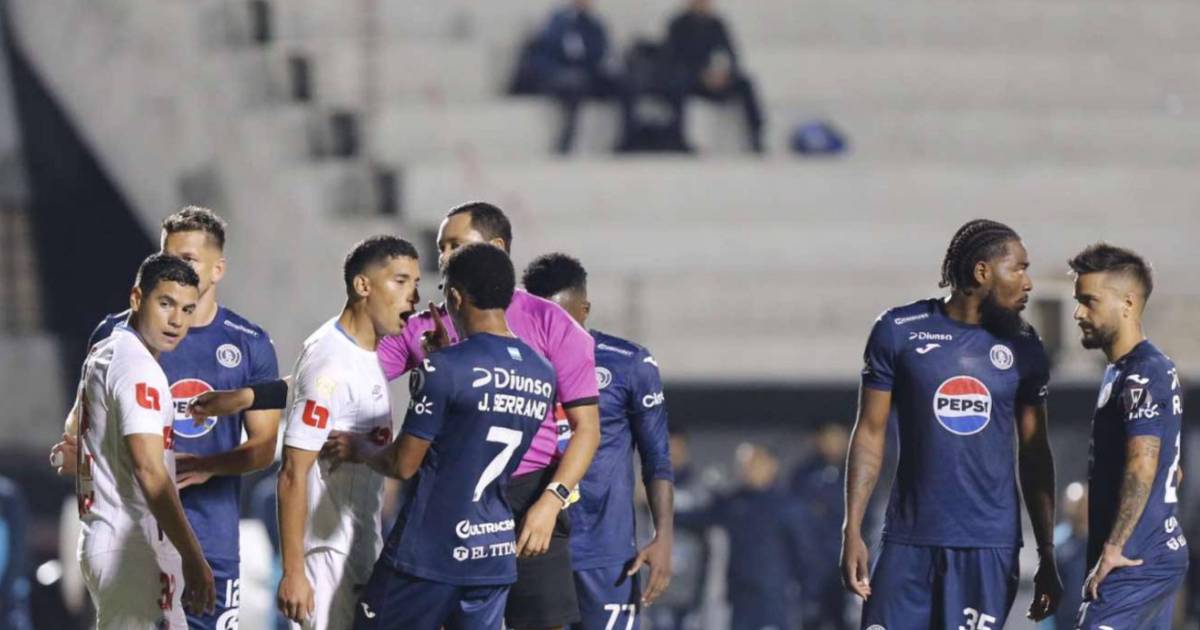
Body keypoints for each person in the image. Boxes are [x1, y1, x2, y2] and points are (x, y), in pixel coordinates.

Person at [193, 202, 602, 630]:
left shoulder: (551, 324)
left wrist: (551, 501)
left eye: (456, 246)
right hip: (466, 505)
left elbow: (586, 429)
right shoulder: (434, 328)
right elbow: (340, 372)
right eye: (442, 247)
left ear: (495, 248)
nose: (444, 257)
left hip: (526, 495)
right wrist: (248, 396)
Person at [51, 206, 281, 629]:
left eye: (188, 260)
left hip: (210, 534)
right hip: (135, 536)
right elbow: (92, 432)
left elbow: (265, 446)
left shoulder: (248, 343)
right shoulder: (124, 341)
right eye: (168, 257)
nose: (177, 269)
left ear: (217, 269)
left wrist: (208, 465)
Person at [841, 219, 1062, 628]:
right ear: (982, 272)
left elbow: (1035, 453)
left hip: (987, 546)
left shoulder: (1025, 347)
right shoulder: (898, 331)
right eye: (1018, 268)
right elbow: (870, 432)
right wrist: (851, 529)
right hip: (908, 540)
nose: (1028, 282)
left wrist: (1047, 552)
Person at [316, 243, 550, 628]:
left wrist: (358, 447)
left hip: (430, 552)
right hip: (491, 550)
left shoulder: (445, 370)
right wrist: (441, 361)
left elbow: (403, 464)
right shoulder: (541, 371)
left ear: (455, 297)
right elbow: (475, 421)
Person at [274, 236, 421, 629]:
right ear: (362, 285)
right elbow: (292, 472)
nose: (413, 297)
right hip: (327, 557)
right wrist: (293, 572)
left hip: (359, 548)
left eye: (416, 283)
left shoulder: (368, 355)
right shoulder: (330, 362)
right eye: (400, 281)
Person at [522, 253, 675, 630]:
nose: (554, 332)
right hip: (532, 546)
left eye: (563, 319)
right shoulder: (511, 364)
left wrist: (664, 535)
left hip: (605, 554)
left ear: (584, 310)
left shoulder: (627, 364)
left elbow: (657, 458)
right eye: (542, 319)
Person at [73, 253, 216, 628]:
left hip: (108, 536)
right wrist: (193, 556)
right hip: (131, 546)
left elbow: (73, 434)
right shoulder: (138, 368)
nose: (176, 320)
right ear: (137, 298)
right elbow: (149, 471)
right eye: (165, 303)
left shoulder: (105, 350)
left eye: (187, 309)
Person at [1069, 244, 1187, 628]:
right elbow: (1173, 469)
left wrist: (1115, 546)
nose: (1078, 313)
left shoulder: (1143, 372)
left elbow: (1143, 463)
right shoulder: (1124, 371)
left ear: (1128, 303)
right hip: (1149, 555)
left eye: (1089, 301)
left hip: (1132, 563)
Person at [681, 443, 808, 630]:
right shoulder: (734, 503)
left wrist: (808, 597)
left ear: (771, 465)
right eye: (744, 464)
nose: (748, 469)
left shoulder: (788, 506)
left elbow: (805, 553)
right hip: (740, 596)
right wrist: (657, 509)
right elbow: (698, 518)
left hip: (774, 598)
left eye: (755, 463)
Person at [516, 0, 619, 154]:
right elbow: (545, 53)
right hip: (559, 77)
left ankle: (628, 139)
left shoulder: (594, 25)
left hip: (587, 76)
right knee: (573, 86)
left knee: (622, 84)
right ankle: (566, 142)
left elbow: (600, 53)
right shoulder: (558, 22)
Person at [663, 0, 764, 153]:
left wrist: (723, 74)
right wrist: (699, 74)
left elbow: (731, 55)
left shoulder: (717, 24)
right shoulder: (678, 25)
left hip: (716, 78)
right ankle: (679, 138)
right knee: (678, 84)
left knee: (745, 83)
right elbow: (672, 59)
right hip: (691, 80)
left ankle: (756, 136)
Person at [789, 423, 851, 630]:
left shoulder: (857, 470)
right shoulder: (803, 474)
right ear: (819, 440)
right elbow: (798, 517)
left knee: (844, 618)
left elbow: (866, 516)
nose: (835, 444)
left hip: (845, 562)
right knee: (811, 617)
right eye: (829, 438)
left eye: (839, 438)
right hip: (811, 563)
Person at [1054, 483, 1088, 630]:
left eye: (1081, 504)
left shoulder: (1100, 541)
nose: (1076, 509)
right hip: (1064, 620)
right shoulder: (1058, 540)